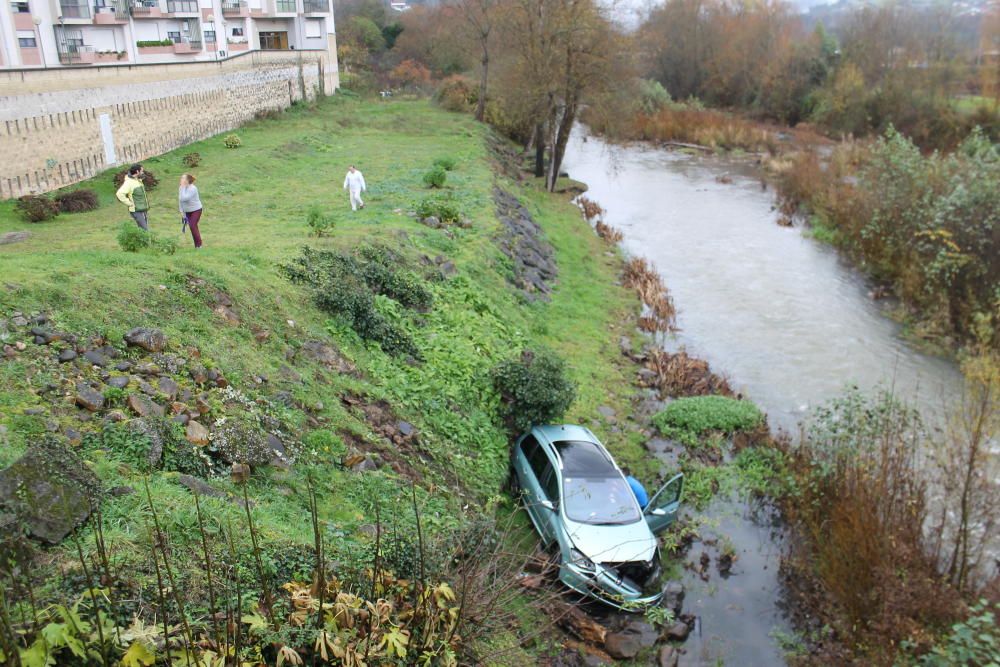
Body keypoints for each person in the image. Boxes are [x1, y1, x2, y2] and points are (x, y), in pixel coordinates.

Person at [116, 163, 151, 230]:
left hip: (143, 209)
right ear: (137, 172)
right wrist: (130, 204)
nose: (143, 172)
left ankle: (143, 240)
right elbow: (119, 193)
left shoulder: (137, 180)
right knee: (145, 230)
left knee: (143, 230)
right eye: (142, 171)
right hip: (136, 210)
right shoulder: (129, 183)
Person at [178, 173, 203, 249]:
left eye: (183, 178)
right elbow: (180, 200)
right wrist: (182, 211)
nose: (181, 179)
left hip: (196, 210)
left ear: (187, 180)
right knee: (193, 227)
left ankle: (199, 245)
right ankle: (197, 246)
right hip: (187, 211)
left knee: (192, 226)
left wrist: (182, 187)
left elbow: (184, 198)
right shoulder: (181, 188)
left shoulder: (193, 188)